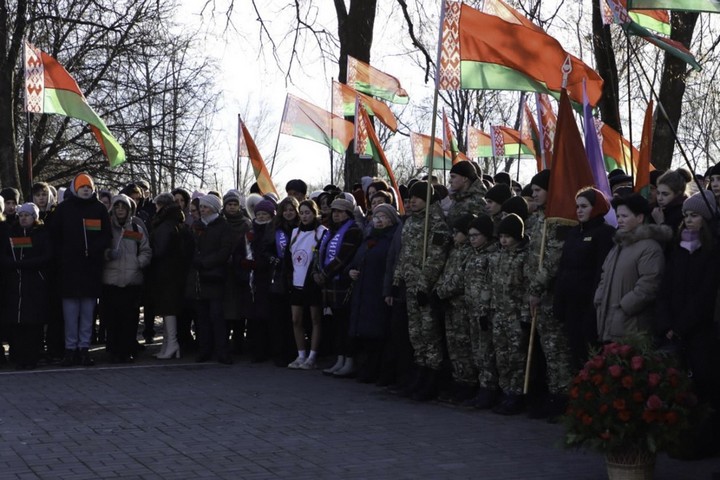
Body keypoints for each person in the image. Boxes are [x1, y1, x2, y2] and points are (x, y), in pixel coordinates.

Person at [655, 190, 720, 456]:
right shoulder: (678, 248)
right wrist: (667, 323)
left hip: (699, 332)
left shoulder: (712, 250)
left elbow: (705, 295)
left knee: (703, 387)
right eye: (686, 216)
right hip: (675, 330)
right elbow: (666, 287)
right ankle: (679, 440)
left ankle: (701, 443)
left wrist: (681, 326)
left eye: (695, 215)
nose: (689, 220)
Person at [392, 181, 449, 401]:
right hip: (409, 285)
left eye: (417, 197)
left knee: (429, 333)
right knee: (416, 334)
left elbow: (436, 257)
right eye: (411, 198)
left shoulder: (435, 223)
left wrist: (425, 284)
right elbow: (404, 254)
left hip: (424, 287)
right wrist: (397, 280)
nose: (412, 201)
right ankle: (420, 371)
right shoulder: (411, 222)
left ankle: (432, 378)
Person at [524, 169, 575, 418]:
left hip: (550, 294)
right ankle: (548, 393)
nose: (533, 195)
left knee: (557, 349)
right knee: (545, 347)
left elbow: (552, 261)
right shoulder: (536, 219)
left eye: (538, 191)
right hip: (536, 294)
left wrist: (535, 288)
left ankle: (563, 397)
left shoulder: (559, 221)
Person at [51, 173, 112, 366]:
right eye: (82, 186)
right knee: (70, 314)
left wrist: (94, 250)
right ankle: (70, 349)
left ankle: (84, 348)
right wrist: (65, 255)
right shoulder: (63, 209)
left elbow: (106, 235)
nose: (86, 189)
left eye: (89, 186)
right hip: (69, 271)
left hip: (90, 270)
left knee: (87, 313)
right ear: (75, 188)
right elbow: (55, 236)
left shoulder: (99, 209)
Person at [595, 193, 671, 343]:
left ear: (640, 218)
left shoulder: (649, 247)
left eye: (625, 216)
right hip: (610, 321)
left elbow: (650, 284)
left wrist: (625, 306)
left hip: (632, 325)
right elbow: (605, 274)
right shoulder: (619, 245)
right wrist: (599, 297)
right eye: (618, 216)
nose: (620, 220)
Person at [554, 187, 615, 370]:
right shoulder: (574, 233)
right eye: (577, 206)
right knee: (575, 353)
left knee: (592, 355)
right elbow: (563, 267)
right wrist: (559, 300)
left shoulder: (605, 233)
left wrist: (594, 304)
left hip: (590, 305)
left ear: (595, 207)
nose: (579, 210)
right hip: (571, 304)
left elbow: (601, 270)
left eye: (584, 206)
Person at [346, 203, 400, 383]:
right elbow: (356, 260)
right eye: (376, 217)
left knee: (378, 333)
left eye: (383, 217)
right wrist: (351, 271)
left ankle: (378, 371)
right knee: (364, 334)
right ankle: (365, 368)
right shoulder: (368, 238)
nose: (379, 221)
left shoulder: (393, 239)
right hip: (363, 290)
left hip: (378, 290)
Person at [485, 214, 531, 415]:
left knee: (516, 357)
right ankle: (504, 392)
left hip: (515, 315)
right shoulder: (496, 257)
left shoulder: (524, 258)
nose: (503, 240)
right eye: (501, 236)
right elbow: (489, 285)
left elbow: (526, 288)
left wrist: (525, 317)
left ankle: (516, 394)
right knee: (501, 356)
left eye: (508, 236)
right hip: (498, 313)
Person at [0, 203, 52, 369]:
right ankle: (18, 356)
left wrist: (25, 264)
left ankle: (32, 357)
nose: (23, 218)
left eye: (27, 215)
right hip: (15, 284)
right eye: (21, 215)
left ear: (34, 218)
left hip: (34, 283)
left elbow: (46, 256)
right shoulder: (11, 233)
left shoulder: (41, 234)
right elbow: (5, 255)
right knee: (17, 323)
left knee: (32, 323)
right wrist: (13, 264)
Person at [101, 194, 152, 363]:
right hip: (111, 281)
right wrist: (107, 254)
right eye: (117, 207)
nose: (120, 210)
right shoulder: (107, 228)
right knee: (112, 319)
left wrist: (138, 262)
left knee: (130, 320)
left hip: (132, 281)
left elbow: (146, 250)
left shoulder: (136, 228)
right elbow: (99, 248)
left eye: (123, 207)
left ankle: (127, 349)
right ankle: (114, 351)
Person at [314, 198, 363, 375]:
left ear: (348, 213)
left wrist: (325, 274)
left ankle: (349, 360)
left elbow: (343, 257)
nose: (336, 215)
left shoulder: (353, 231)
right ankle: (340, 358)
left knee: (346, 324)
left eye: (340, 212)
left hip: (343, 283)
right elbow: (319, 253)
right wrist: (317, 271)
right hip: (330, 285)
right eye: (334, 211)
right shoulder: (330, 232)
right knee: (336, 325)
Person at [434, 213, 478, 403]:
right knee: (454, 347)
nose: (454, 236)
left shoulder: (469, 252)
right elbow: (446, 273)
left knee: (463, 346)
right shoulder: (455, 250)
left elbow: (458, 279)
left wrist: (440, 292)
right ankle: (458, 381)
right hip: (450, 306)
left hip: (461, 306)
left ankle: (468, 383)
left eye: (458, 232)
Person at [187, 194, 233, 364]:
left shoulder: (223, 226)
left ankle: (222, 351)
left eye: (205, 207)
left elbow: (224, 250)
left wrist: (206, 262)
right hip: (199, 279)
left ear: (213, 208)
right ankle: (204, 350)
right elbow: (192, 248)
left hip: (215, 277)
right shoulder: (197, 226)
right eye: (201, 207)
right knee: (202, 318)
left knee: (217, 317)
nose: (202, 210)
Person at [148, 193, 192, 359]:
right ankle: (168, 343)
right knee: (168, 309)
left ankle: (171, 343)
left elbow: (160, 249)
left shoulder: (165, 225)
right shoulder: (176, 222)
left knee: (168, 309)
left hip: (166, 272)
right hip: (173, 272)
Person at [462, 214, 499, 409]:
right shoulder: (472, 254)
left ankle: (489, 389)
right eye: (470, 235)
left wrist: (485, 310)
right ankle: (481, 387)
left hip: (486, 312)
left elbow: (491, 286)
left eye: (476, 235)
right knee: (477, 351)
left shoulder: (492, 257)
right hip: (471, 310)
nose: (472, 239)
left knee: (486, 352)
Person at [287, 200, 327, 369]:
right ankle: (300, 354)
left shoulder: (322, 232)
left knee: (315, 319)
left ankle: (312, 356)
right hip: (296, 283)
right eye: (301, 213)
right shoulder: (294, 232)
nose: (304, 216)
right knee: (296, 320)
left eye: (308, 212)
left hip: (312, 284)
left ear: (314, 213)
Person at [268, 196, 299, 366]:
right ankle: (278, 352)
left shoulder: (301, 228)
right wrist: (274, 259)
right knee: (278, 318)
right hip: (278, 278)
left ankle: (293, 350)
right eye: (285, 210)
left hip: (296, 277)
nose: (288, 213)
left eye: (291, 210)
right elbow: (265, 250)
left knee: (293, 318)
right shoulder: (275, 228)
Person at [651, 168, 691, 234]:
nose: (659, 198)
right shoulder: (655, 209)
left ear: (678, 194)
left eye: (665, 194)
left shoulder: (684, 213)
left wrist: (660, 222)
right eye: (658, 193)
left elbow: (674, 240)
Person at [446, 161, 487, 226]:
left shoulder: (477, 202)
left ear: (465, 178)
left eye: (453, 177)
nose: (450, 181)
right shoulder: (458, 199)